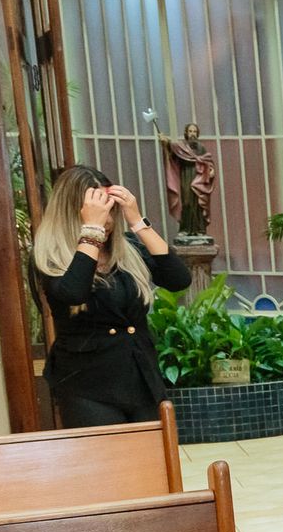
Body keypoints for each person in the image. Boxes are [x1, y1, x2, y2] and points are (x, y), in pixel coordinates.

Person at [32, 164, 191, 428]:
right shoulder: (50, 256)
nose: (107, 221)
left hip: (141, 379)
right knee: (109, 466)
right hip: (87, 387)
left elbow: (178, 280)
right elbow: (73, 292)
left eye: (111, 211)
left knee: (152, 465)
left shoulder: (129, 247)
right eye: (98, 212)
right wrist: (91, 232)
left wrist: (137, 221)